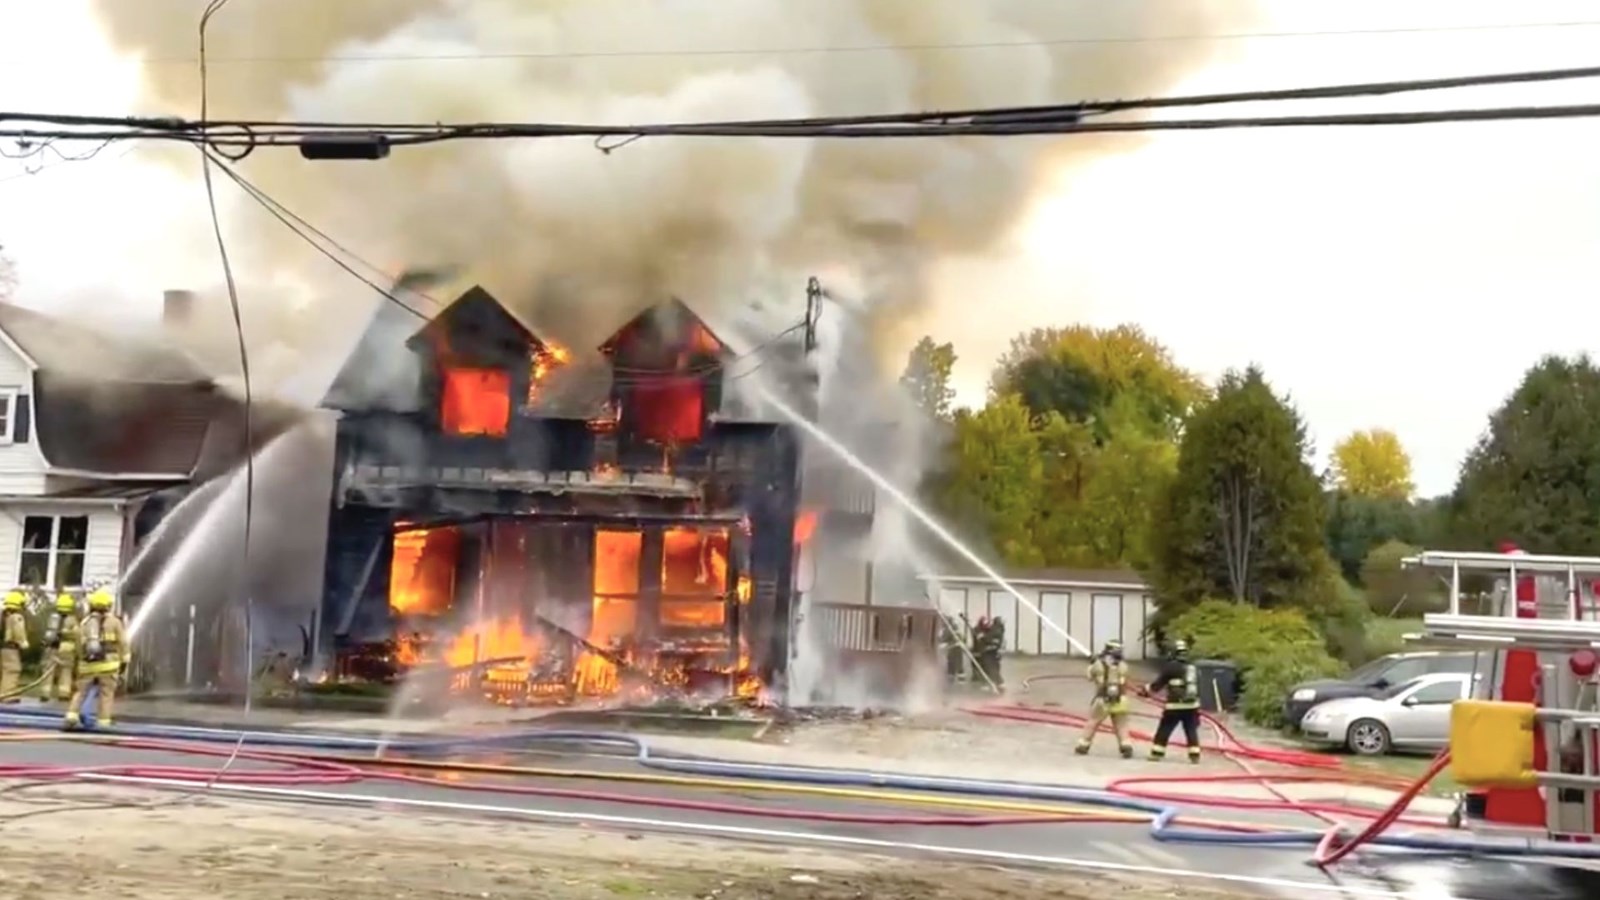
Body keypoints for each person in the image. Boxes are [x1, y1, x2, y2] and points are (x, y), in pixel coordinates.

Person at [64, 590, 126, 730]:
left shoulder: (85, 623)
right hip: (108, 665)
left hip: (88, 665)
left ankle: (71, 717)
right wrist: (125, 660)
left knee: (80, 692)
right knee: (106, 694)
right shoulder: (115, 622)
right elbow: (123, 643)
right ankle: (103, 722)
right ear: (108, 606)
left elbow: (79, 644)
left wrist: (81, 660)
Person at [1146, 639, 1202, 764]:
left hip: (1174, 705)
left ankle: (1157, 753)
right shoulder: (1192, 667)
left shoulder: (1171, 667)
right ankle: (1194, 755)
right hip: (1191, 705)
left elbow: (1157, 685)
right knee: (1191, 729)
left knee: (1165, 728)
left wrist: (1145, 691)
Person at [1075, 639, 1133, 758]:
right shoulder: (1123, 665)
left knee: (1093, 722)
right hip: (1120, 699)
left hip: (1102, 699)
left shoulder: (1098, 664)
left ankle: (1083, 745)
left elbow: (1089, 676)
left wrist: (1091, 664)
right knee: (1121, 724)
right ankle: (1126, 745)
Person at [43, 592, 80, 703]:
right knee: (66, 671)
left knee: (48, 671)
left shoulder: (53, 618)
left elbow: (47, 633)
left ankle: (45, 694)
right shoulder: (72, 619)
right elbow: (77, 634)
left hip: (51, 647)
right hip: (66, 647)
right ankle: (63, 694)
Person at [0, 589, 28, 703]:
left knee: (3, 670)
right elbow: (19, 632)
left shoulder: (2, 615)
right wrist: (24, 644)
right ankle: (8, 695)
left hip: (1, 647)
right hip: (10, 648)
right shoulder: (16, 617)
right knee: (12, 670)